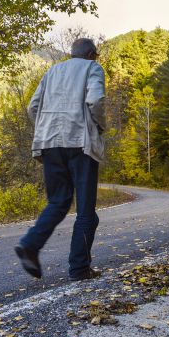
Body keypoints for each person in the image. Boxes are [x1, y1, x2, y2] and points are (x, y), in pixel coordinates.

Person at [14, 38, 106, 282]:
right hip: (79, 143)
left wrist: (47, 127)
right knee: (86, 210)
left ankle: (30, 245)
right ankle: (79, 269)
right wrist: (100, 126)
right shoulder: (92, 68)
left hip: (49, 143)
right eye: (95, 55)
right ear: (90, 54)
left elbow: (33, 107)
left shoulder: (52, 71)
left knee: (58, 201)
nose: (95, 59)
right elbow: (95, 101)